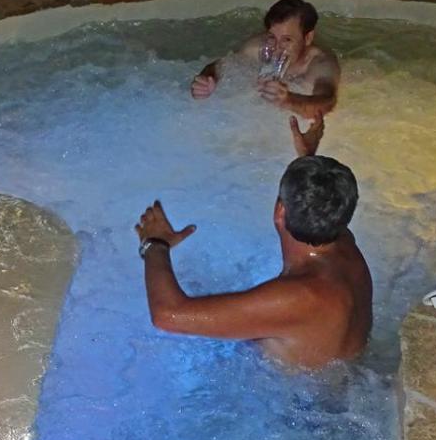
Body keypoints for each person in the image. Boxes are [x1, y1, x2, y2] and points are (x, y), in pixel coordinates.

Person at [134, 116, 372, 369]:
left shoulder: (300, 297)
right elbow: (322, 204)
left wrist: (155, 244)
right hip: (340, 376)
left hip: (294, 393)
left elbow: (167, 316)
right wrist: (308, 160)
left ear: (280, 211)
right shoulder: (344, 244)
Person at [190, 0, 340, 121]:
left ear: (308, 38)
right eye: (272, 37)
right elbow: (220, 65)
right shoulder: (256, 48)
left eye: (287, 40)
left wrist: (289, 100)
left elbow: (327, 103)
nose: (277, 47)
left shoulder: (320, 63)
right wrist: (207, 79)